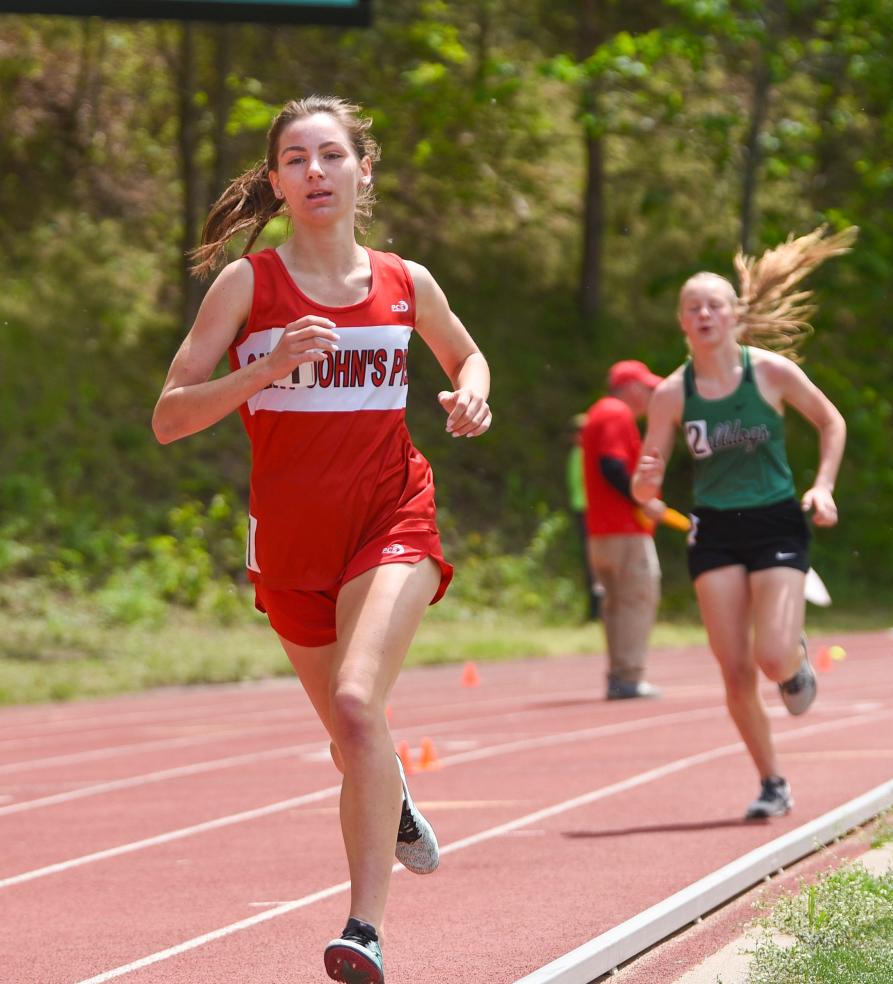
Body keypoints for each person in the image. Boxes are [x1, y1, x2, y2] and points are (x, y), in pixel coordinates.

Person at [152, 95, 491, 984]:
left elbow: (465, 354)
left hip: (391, 516)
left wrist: (472, 394)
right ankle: (396, 796)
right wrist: (263, 368)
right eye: (295, 160)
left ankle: (364, 928)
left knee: (353, 704)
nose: (314, 172)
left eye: (331, 155)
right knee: (355, 740)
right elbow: (168, 418)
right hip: (292, 544)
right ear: (275, 181)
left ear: (361, 171)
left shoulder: (404, 281)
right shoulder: (248, 286)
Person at [632, 226, 853, 819]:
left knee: (772, 657)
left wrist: (823, 486)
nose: (704, 315)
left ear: (734, 316)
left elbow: (831, 423)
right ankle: (772, 781)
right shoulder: (672, 394)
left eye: (714, 305)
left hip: (777, 521)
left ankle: (793, 660)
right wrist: (646, 478)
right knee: (733, 671)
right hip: (715, 530)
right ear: (682, 322)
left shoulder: (771, 373)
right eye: (692, 308)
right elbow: (645, 483)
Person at [581, 360, 666, 700]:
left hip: (602, 530)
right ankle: (628, 676)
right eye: (647, 389)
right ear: (630, 387)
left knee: (617, 604)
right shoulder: (616, 412)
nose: (650, 396)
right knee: (637, 599)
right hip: (625, 529)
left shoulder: (599, 412)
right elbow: (612, 466)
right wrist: (641, 501)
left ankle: (620, 675)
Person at [566, 412, 602, 620]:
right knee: (594, 562)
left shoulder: (580, 453)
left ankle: (597, 610)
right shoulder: (582, 454)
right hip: (587, 511)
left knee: (595, 562)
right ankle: (595, 610)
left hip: (587, 511)